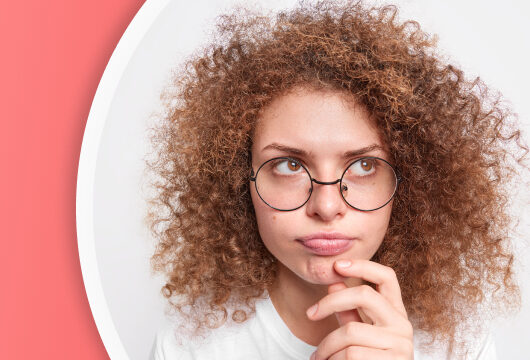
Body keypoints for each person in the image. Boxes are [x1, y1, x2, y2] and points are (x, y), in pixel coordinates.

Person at [145, 1, 528, 359]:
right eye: (289, 165)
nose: (327, 207)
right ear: (238, 180)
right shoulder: (189, 347)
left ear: (409, 187)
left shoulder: (459, 346)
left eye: (364, 166)